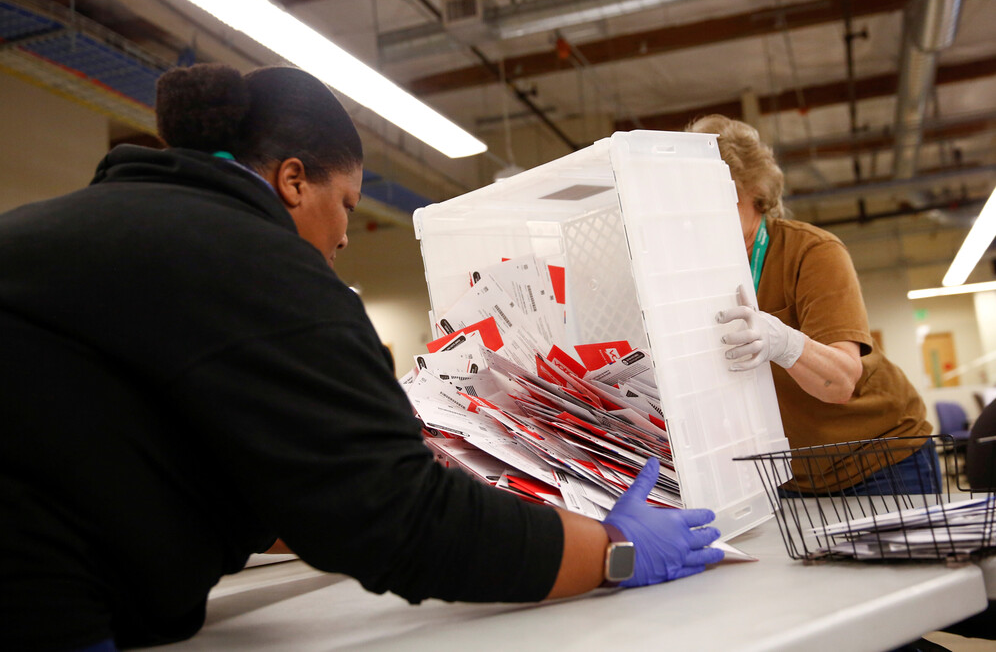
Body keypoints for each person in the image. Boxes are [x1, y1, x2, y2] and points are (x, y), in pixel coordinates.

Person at [0, 64, 723, 652]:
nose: (347, 236)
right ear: (292, 181)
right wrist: (610, 548)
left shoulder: (73, 231)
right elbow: (400, 522)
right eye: (346, 202)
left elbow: (199, 455)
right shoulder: (265, 270)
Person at [693, 114, 937, 495]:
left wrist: (785, 343)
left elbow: (840, 382)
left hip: (879, 458)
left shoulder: (812, 252)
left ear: (756, 191)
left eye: (724, 193)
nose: (708, 208)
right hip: (792, 473)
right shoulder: (696, 272)